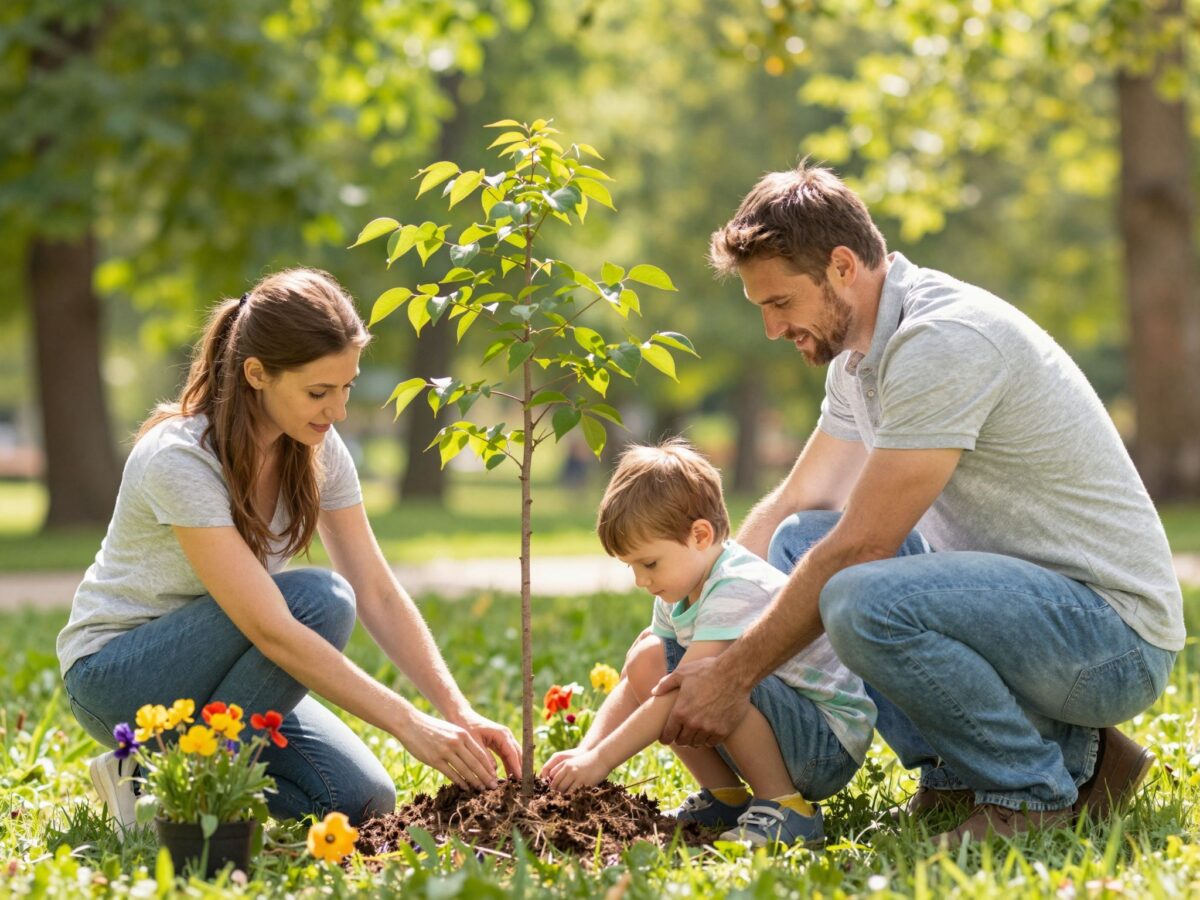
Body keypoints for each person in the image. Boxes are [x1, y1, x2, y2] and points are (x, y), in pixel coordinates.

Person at [654, 164, 1183, 843]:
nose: (770, 328)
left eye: (780, 303)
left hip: (1111, 637)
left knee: (858, 594)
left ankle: (1029, 791)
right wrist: (683, 613)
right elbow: (803, 496)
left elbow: (863, 547)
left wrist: (732, 673)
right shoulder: (859, 358)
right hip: (1028, 612)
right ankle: (968, 772)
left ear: (842, 266)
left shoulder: (943, 341)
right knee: (797, 537)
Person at [57, 268, 520, 833]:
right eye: (318, 392)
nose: (338, 410)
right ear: (257, 374)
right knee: (319, 599)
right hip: (121, 675)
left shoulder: (318, 445)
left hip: (230, 677)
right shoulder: (179, 457)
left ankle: (152, 780)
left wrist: (456, 710)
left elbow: (376, 588)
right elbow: (273, 626)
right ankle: (187, 794)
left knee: (362, 801)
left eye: (346, 387)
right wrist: (409, 724)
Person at [541, 439, 876, 847]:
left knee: (709, 681)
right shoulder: (680, 588)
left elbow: (694, 690)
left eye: (649, 563)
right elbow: (641, 680)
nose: (640, 580)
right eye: (632, 567)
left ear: (700, 535)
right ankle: (726, 798)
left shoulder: (735, 586)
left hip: (823, 745)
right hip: (787, 730)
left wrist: (602, 761)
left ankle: (787, 808)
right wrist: (586, 750)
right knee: (647, 658)